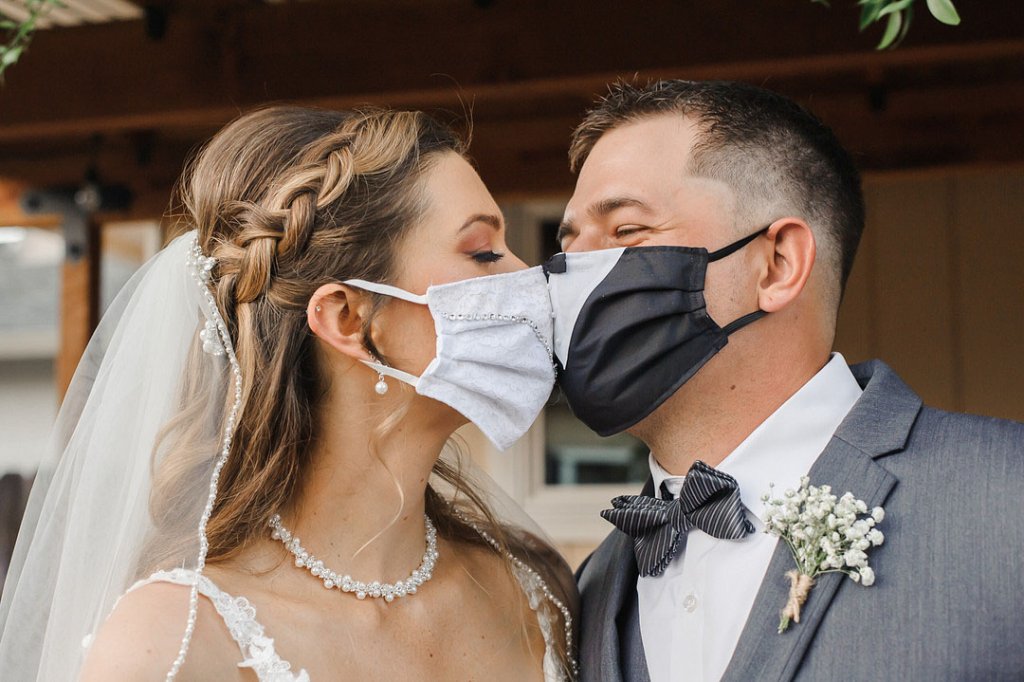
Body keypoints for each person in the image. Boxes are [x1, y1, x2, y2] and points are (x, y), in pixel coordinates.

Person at [0, 106, 577, 680]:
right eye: (482, 252)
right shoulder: (174, 644)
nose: (527, 276)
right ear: (348, 318)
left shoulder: (534, 590)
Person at [546, 80, 1024, 681]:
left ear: (776, 265)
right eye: (566, 248)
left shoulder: (1008, 500)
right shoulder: (589, 588)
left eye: (625, 233)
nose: (569, 279)